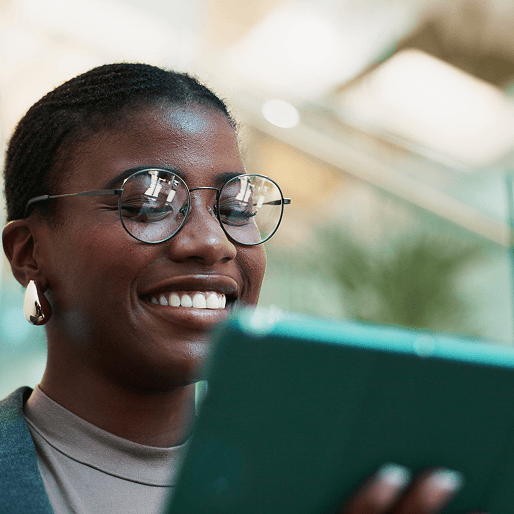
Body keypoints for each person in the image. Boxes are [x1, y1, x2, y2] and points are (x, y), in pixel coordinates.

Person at [0, 63, 470, 514]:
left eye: (236, 207)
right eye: (148, 201)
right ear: (29, 253)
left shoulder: (339, 488)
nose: (212, 242)